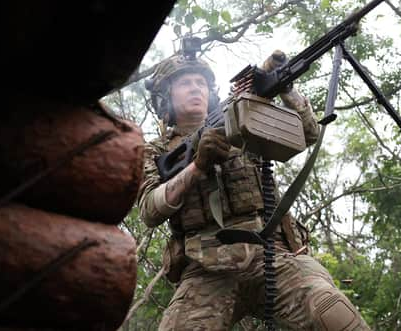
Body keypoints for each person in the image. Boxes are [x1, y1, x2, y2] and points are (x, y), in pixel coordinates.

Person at [138, 48, 371, 330]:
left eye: (200, 82)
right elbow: (150, 209)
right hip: (206, 269)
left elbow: (307, 133)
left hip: (273, 255)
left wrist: (283, 87)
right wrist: (197, 166)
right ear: (165, 96)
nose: (195, 89)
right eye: (185, 83)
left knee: (332, 314)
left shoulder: (239, 117)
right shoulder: (155, 151)